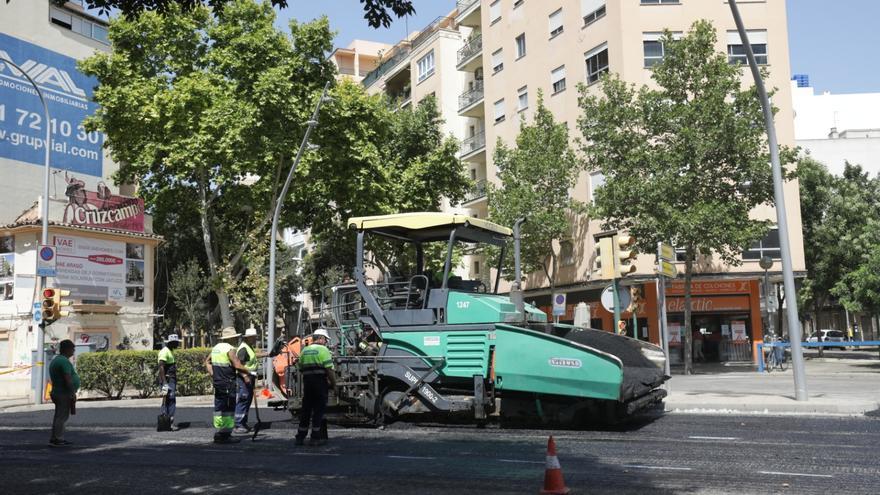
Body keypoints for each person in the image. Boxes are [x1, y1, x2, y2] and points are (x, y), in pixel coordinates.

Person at [205, 327, 251, 444]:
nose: (236, 340)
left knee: (219, 408)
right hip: (228, 383)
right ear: (231, 338)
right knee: (229, 409)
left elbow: (207, 361)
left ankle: (219, 432)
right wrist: (248, 372)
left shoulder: (216, 348)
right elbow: (237, 365)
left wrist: (213, 374)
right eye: (235, 338)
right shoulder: (230, 349)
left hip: (218, 383)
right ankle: (225, 434)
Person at [295, 329, 337, 446]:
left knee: (306, 411)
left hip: (308, 384)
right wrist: (334, 384)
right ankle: (315, 438)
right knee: (318, 411)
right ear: (320, 338)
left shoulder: (305, 350)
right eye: (325, 340)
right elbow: (329, 369)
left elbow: (300, 368)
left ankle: (300, 437)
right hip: (320, 383)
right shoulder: (323, 350)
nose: (326, 342)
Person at [233, 326, 267, 434]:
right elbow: (239, 365)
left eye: (255, 337)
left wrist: (266, 354)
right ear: (247, 338)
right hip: (244, 378)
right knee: (243, 400)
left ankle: (243, 423)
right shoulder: (243, 348)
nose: (255, 339)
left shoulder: (248, 347)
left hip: (250, 377)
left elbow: (252, 357)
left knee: (247, 401)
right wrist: (245, 376)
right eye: (253, 337)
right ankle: (238, 424)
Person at [48, 339, 80, 447]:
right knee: (62, 417)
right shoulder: (64, 362)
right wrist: (72, 392)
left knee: (58, 416)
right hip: (63, 393)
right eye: (73, 349)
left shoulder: (56, 360)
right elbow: (68, 379)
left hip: (57, 391)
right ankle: (58, 438)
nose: (73, 351)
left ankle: (55, 437)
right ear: (67, 349)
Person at [157, 334, 181, 431]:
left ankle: (168, 422)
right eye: (175, 343)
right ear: (170, 343)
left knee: (169, 400)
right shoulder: (164, 352)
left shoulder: (170, 351)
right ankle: (167, 422)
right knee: (169, 400)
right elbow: (161, 367)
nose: (177, 344)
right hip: (167, 380)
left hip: (171, 379)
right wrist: (165, 382)